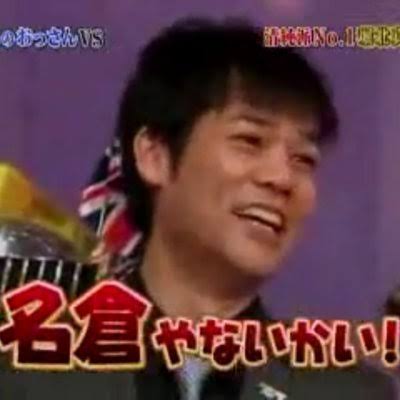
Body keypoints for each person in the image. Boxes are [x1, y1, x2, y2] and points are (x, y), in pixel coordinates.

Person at [0, 17, 397, 400]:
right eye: (250, 141)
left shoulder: (349, 393)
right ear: (154, 156)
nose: (281, 178)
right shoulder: (23, 368)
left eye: (303, 159)